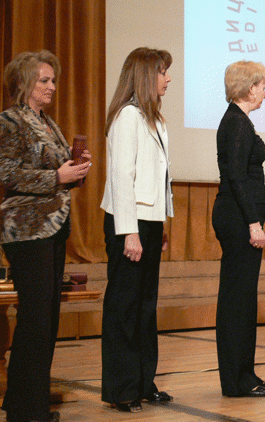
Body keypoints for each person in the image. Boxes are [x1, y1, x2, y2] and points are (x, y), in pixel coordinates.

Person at [0, 50, 91, 422]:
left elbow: (60, 173)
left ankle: (29, 405)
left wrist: (76, 169)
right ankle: (25, 410)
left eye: (53, 80)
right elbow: (5, 173)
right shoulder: (9, 121)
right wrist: (56, 177)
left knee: (47, 320)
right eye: (44, 80)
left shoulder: (48, 123)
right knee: (36, 319)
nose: (52, 86)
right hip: (25, 230)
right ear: (24, 83)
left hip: (52, 228)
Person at [100, 47, 174, 413]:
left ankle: (144, 382)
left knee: (145, 307)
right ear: (146, 75)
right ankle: (121, 388)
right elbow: (121, 178)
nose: (168, 79)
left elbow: (158, 179)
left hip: (149, 221)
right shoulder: (127, 116)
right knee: (124, 307)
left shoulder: (155, 119)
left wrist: (159, 224)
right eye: (162, 72)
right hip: (127, 221)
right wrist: (129, 231)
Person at [211, 61, 265, 397]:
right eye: (263, 85)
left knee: (245, 299)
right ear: (250, 88)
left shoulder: (240, 121)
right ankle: (235, 381)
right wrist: (253, 223)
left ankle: (245, 373)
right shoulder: (236, 123)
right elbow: (236, 178)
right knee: (237, 300)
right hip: (238, 220)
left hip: (241, 217)